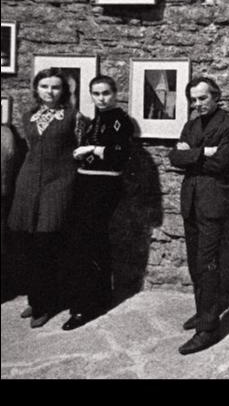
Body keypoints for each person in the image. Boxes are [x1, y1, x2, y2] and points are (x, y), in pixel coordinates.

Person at [168, 76, 229, 355]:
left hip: (213, 204)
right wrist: (204, 152)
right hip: (191, 202)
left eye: (202, 98)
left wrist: (192, 155)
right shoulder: (191, 125)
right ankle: (204, 313)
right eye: (193, 99)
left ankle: (209, 328)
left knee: (207, 264)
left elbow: (222, 163)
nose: (197, 104)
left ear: (216, 97)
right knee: (194, 263)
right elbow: (173, 157)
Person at [7, 68, 83, 328]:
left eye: (55, 87)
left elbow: (81, 151)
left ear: (64, 91)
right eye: (44, 87)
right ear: (36, 90)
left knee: (47, 242)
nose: (50, 92)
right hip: (28, 183)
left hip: (59, 183)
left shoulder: (74, 116)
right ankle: (36, 297)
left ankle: (45, 304)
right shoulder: (28, 115)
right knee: (27, 242)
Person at [62, 76, 134, 331]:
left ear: (115, 93)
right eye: (96, 93)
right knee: (88, 242)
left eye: (105, 93)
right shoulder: (94, 121)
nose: (101, 98)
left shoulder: (121, 121)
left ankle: (86, 306)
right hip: (85, 183)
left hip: (104, 185)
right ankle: (97, 297)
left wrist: (92, 149)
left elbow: (120, 155)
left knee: (88, 241)